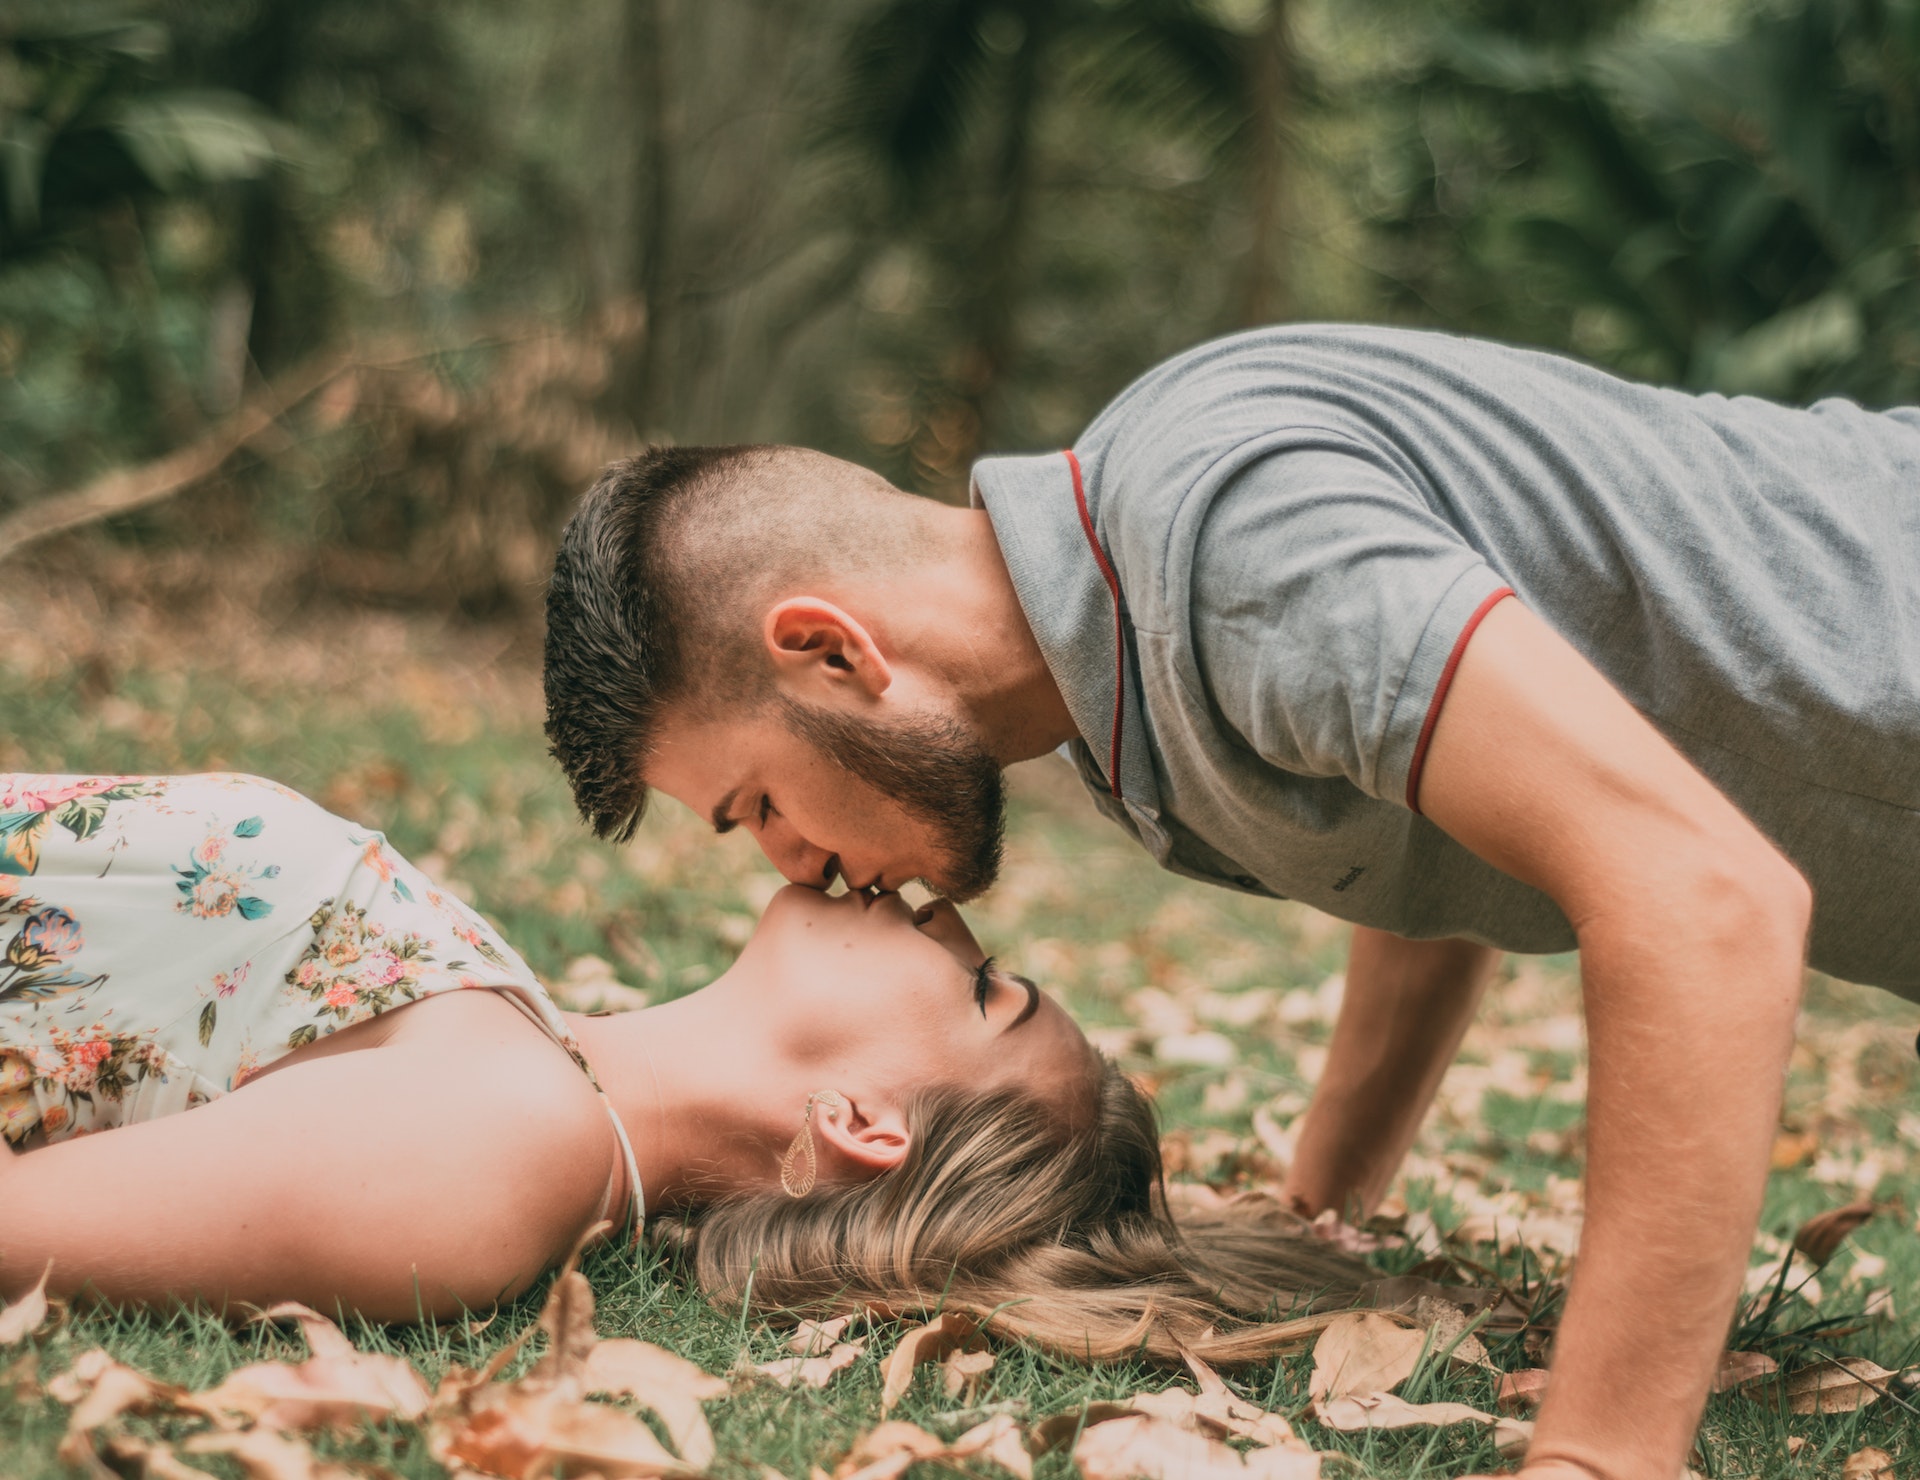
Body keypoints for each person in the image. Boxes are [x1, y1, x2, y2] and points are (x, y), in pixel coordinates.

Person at [542, 323, 1920, 1480]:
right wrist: (1328, 1200)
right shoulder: (1125, 673)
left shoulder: (1227, 547)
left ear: (831, 651)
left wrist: (1592, 1456)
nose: (793, 866)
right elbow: (1436, 806)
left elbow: (1704, 900)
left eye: (757, 805)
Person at [0, 772, 1365, 1356]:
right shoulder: (528, 1056)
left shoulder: (501, 1146)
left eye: (984, 986)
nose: (942, 910)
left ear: (865, 1121)